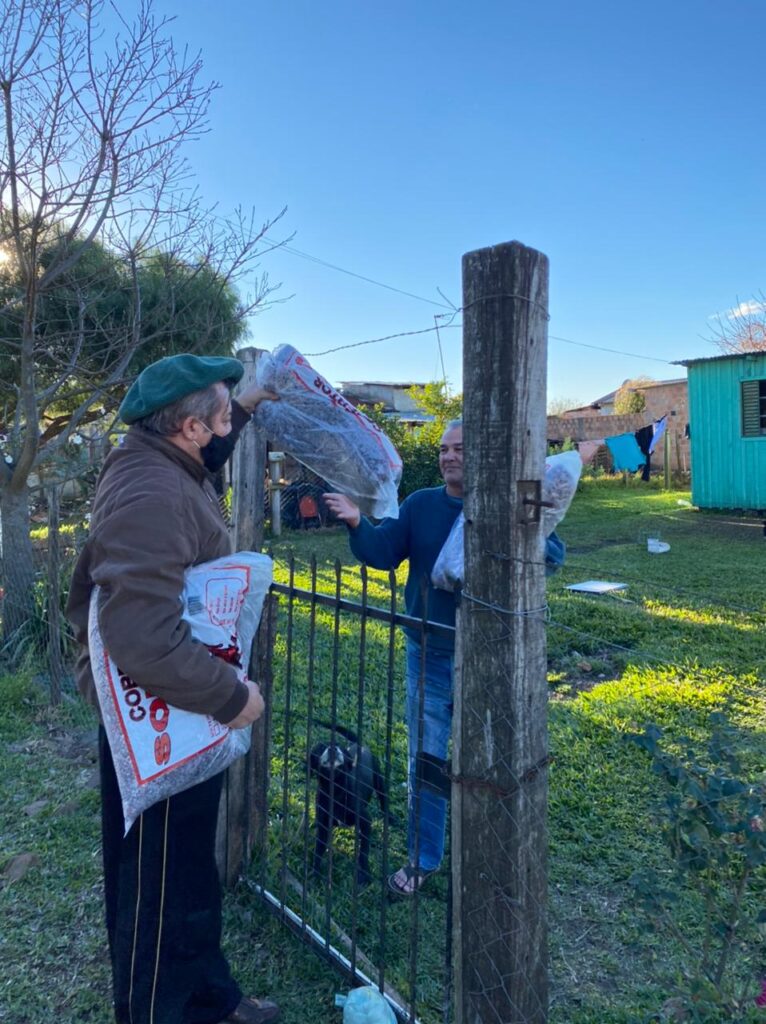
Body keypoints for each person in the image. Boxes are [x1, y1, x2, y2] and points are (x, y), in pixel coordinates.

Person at [66, 354, 280, 1024]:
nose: (223, 430)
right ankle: (160, 1009)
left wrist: (243, 404)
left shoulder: (162, 461)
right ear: (189, 427)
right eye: (217, 418)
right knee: (158, 879)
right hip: (161, 711)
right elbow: (144, 637)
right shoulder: (150, 493)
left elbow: (203, 469)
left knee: (187, 864)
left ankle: (207, 996)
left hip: (172, 709)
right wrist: (230, 697)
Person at [323, 420, 565, 897]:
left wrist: (520, 527)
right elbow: (384, 551)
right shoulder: (421, 505)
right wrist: (356, 521)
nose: (448, 456)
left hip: (493, 658)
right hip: (430, 652)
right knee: (429, 759)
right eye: (443, 449)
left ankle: (497, 851)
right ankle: (424, 856)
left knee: (498, 756)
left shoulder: (508, 501)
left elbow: (552, 555)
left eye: (459, 448)